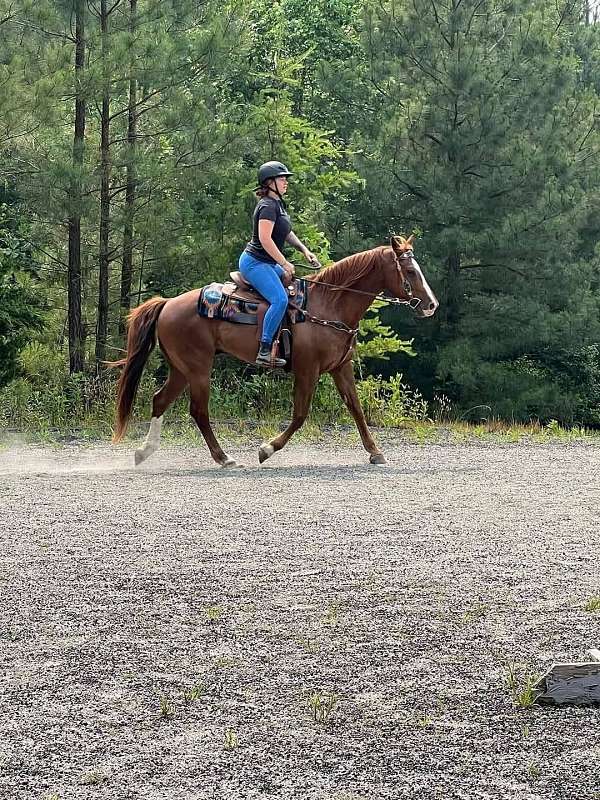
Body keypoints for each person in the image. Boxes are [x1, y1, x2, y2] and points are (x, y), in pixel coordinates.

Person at [239, 160, 320, 367]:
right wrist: (284, 263)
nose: (286, 183)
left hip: (266, 262)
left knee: (295, 286)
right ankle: (264, 350)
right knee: (280, 300)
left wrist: (304, 250)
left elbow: (286, 232)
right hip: (255, 263)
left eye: (285, 179)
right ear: (269, 182)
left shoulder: (277, 205)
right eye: (282, 179)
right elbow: (265, 239)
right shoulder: (267, 206)